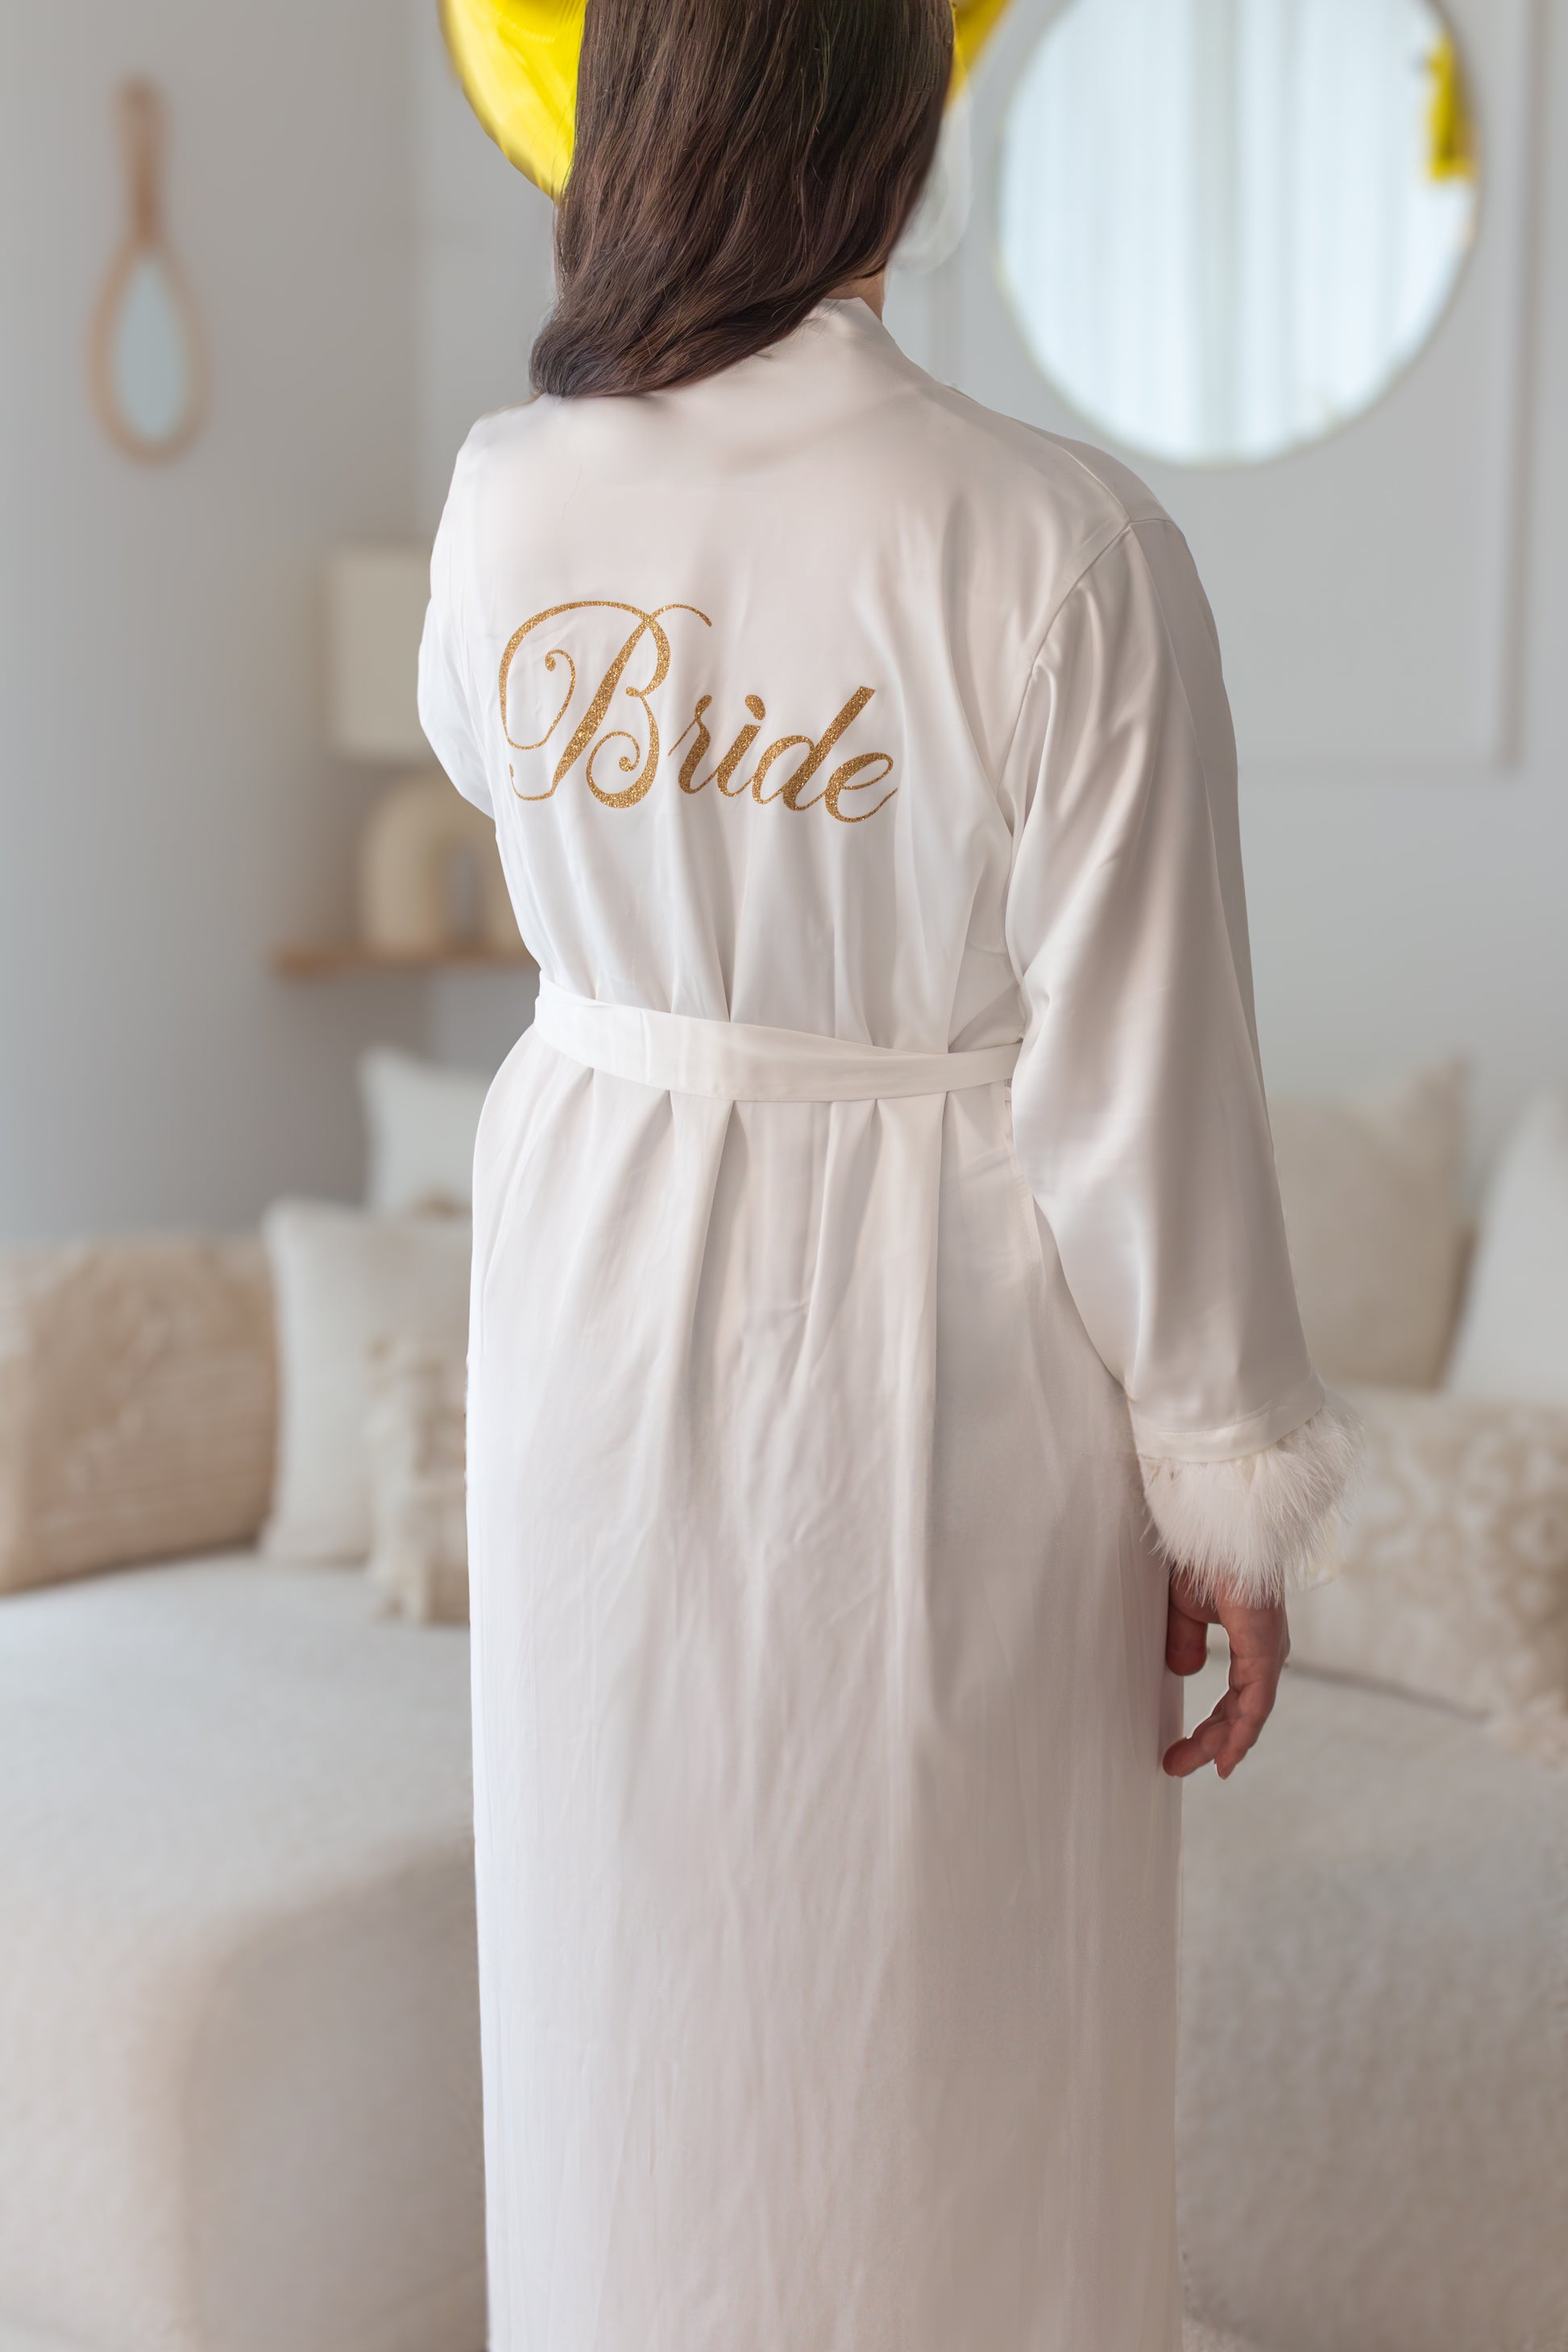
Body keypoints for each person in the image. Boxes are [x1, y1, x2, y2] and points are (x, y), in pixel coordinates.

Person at [418, 3, 1355, 2346]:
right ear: (892, 123)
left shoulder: (508, 497)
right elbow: (1147, 1067)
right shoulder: (1056, 541)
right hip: (933, 1340)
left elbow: (489, 772)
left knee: (628, 1976)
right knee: (957, 1992)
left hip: (591, 1305)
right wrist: (1220, 1473)